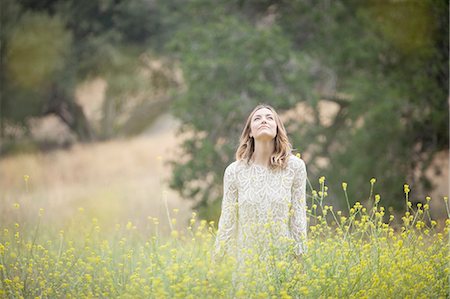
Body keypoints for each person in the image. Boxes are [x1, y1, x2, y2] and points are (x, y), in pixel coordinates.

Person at [213, 104, 307, 267]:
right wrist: (216, 264)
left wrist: (301, 263)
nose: (264, 120)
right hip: (247, 264)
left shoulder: (295, 167)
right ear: (250, 131)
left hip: (283, 263)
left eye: (269, 118)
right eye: (257, 118)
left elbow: (298, 218)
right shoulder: (234, 171)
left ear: (277, 128)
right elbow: (227, 221)